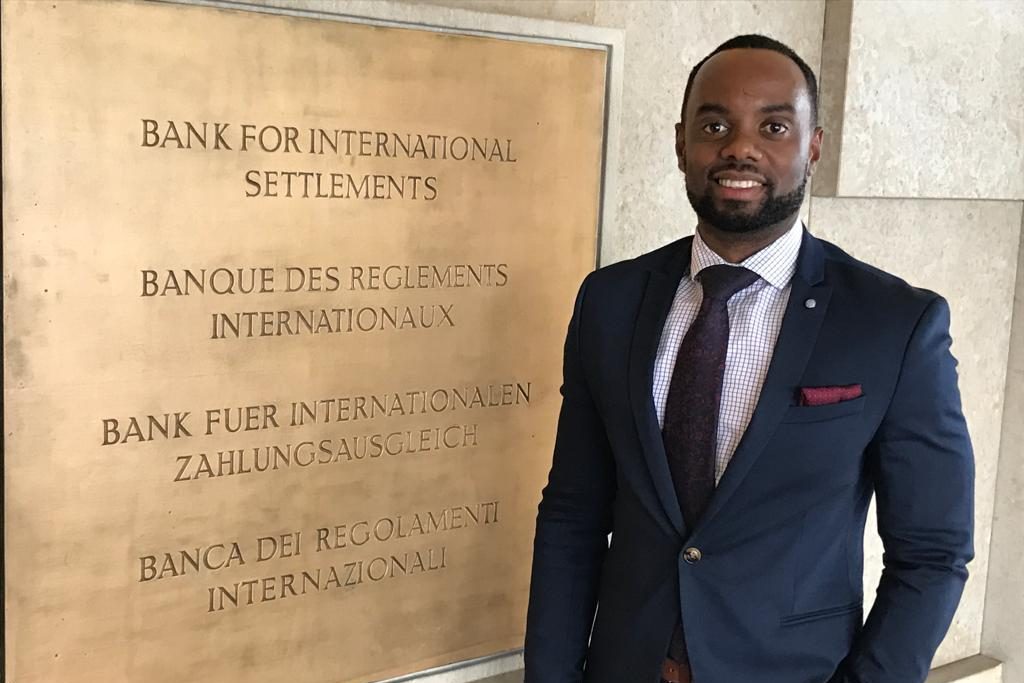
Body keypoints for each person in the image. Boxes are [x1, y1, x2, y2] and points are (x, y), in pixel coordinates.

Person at [523, 34, 974, 683]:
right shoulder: (610, 301)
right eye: (715, 125)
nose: (740, 147)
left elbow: (933, 552)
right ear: (681, 144)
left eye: (774, 126)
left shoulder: (894, 324)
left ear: (813, 146)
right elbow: (574, 512)